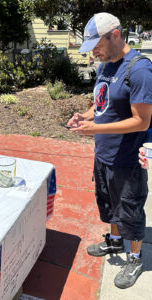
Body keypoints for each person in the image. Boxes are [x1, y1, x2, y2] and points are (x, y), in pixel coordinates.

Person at [67, 12, 152, 289]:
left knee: (130, 208)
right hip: (103, 154)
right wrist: (85, 117)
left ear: (115, 34)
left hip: (127, 158)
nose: (94, 53)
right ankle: (115, 242)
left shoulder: (139, 69)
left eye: (96, 45)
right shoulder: (105, 65)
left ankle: (136, 257)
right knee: (108, 203)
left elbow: (142, 120)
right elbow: (101, 105)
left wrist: (95, 130)